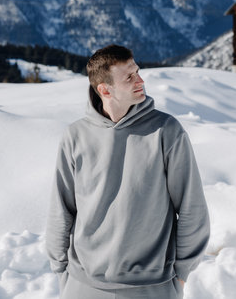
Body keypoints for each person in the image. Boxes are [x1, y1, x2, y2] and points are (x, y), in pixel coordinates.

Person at [46, 44, 210, 299]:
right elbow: (62, 209)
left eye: (137, 71)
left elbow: (192, 208)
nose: (140, 80)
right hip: (83, 287)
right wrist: (61, 272)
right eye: (129, 77)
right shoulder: (75, 136)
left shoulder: (166, 131)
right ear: (104, 90)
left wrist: (181, 274)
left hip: (152, 288)